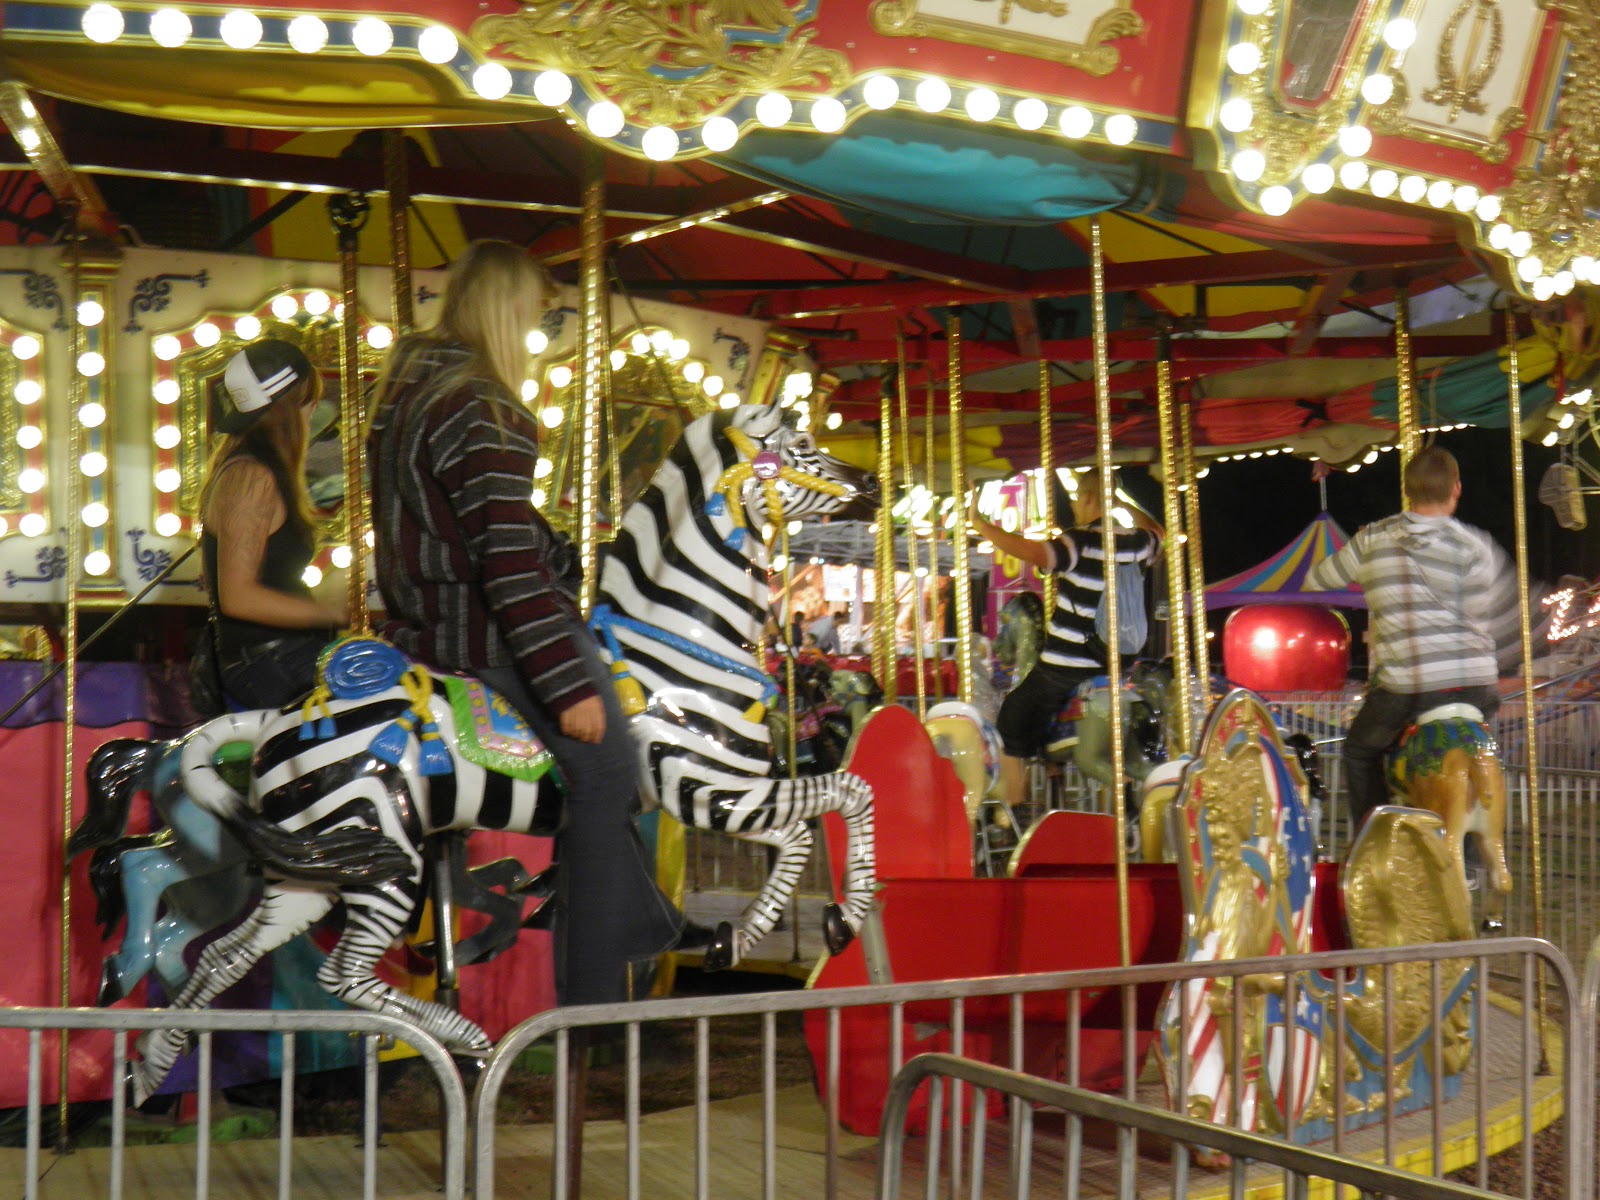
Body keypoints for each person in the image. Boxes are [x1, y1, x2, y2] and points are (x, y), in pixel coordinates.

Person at [367, 239, 689, 1005]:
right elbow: (507, 565)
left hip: (418, 629)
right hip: (480, 636)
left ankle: (645, 923)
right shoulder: (483, 406)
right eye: (536, 317)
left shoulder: (405, 392)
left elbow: (471, 526)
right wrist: (566, 683)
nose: (538, 335)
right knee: (610, 773)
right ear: (510, 311)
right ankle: (595, 998)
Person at [1305, 446, 1521, 829]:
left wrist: (1369, 570)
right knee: (1477, 743)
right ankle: (1473, 833)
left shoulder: (1374, 538)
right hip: (1476, 684)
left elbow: (1318, 579)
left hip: (1409, 685)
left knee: (1360, 751)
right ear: (1456, 487)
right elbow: (1500, 612)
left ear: (1407, 490)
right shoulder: (1476, 544)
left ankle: (1373, 838)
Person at [967, 469, 1161, 815]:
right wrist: (1122, 505)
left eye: (1076, 497)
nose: (1073, 505)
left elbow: (1034, 552)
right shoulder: (1136, 543)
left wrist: (982, 526)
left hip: (1066, 666)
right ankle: (1056, 774)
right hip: (1117, 664)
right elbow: (1159, 533)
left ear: (1087, 497)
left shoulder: (1079, 541)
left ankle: (1014, 805)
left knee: (1013, 716)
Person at [197, 339, 346, 710]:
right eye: (311, 401)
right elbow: (238, 596)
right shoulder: (250, 477)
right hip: (270, 660)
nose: (314, 412)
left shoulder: (254, 470)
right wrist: (330, 611)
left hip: (281, 653)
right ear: (291, 406)